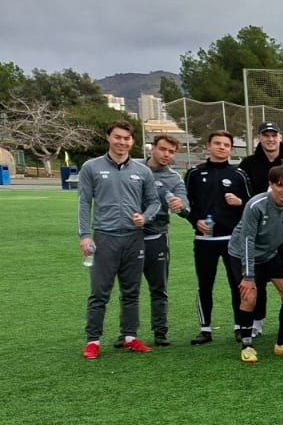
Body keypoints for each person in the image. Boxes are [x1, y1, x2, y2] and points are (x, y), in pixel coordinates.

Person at [78, 120, 162, 358]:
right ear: (109, 138)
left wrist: (144, 217)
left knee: (131, 291)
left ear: (132, 141)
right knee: (99, 293)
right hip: (104, 238)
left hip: (134, 238)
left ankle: (130, 337)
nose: (122, 142)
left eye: (127, 138)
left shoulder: (142, 171)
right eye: (118, 137)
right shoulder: (91, 167)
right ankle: (93, 340)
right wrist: (84, 235)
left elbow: (154, 202)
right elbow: (84, 203)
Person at [228, 165, 283, 364]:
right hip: (242, 254)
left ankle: (282, 343)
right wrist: (248, 276)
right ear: (270, 185)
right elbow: (247, 240)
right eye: (279, 185)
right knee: (249, 295)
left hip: (270, 254)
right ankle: (247, 345)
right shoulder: (256, 205)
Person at [183, 130, 251, 344]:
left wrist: (239, 202)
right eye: (217, 143)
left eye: (226, 145)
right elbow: (186, 204)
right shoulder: (195, 173)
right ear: (208, 146)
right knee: (205, 284)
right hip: (204, 240)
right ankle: (205, 329)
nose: (222, 147)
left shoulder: (238, 174)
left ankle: (240, 326)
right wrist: (195, 221)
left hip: (232, 239)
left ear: (231, 149)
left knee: (237, 283)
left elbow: (251, 204)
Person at [141, 133, 189, 346]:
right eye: (162, 149)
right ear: (152, 148)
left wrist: (180, 206)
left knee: (159, 287)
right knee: (129, 287)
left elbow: (186, 208)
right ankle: (127, 333)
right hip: (129, 236)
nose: (166, 154)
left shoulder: (174, 178)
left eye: (171, 152)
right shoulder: (134, 169)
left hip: (157, 236)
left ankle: (160, 332)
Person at [239, 122, 283, 198]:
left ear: (280, 138)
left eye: (274, 135)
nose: (270, 139)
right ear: (259, 138)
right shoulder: (247, 163)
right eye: (266, 136)